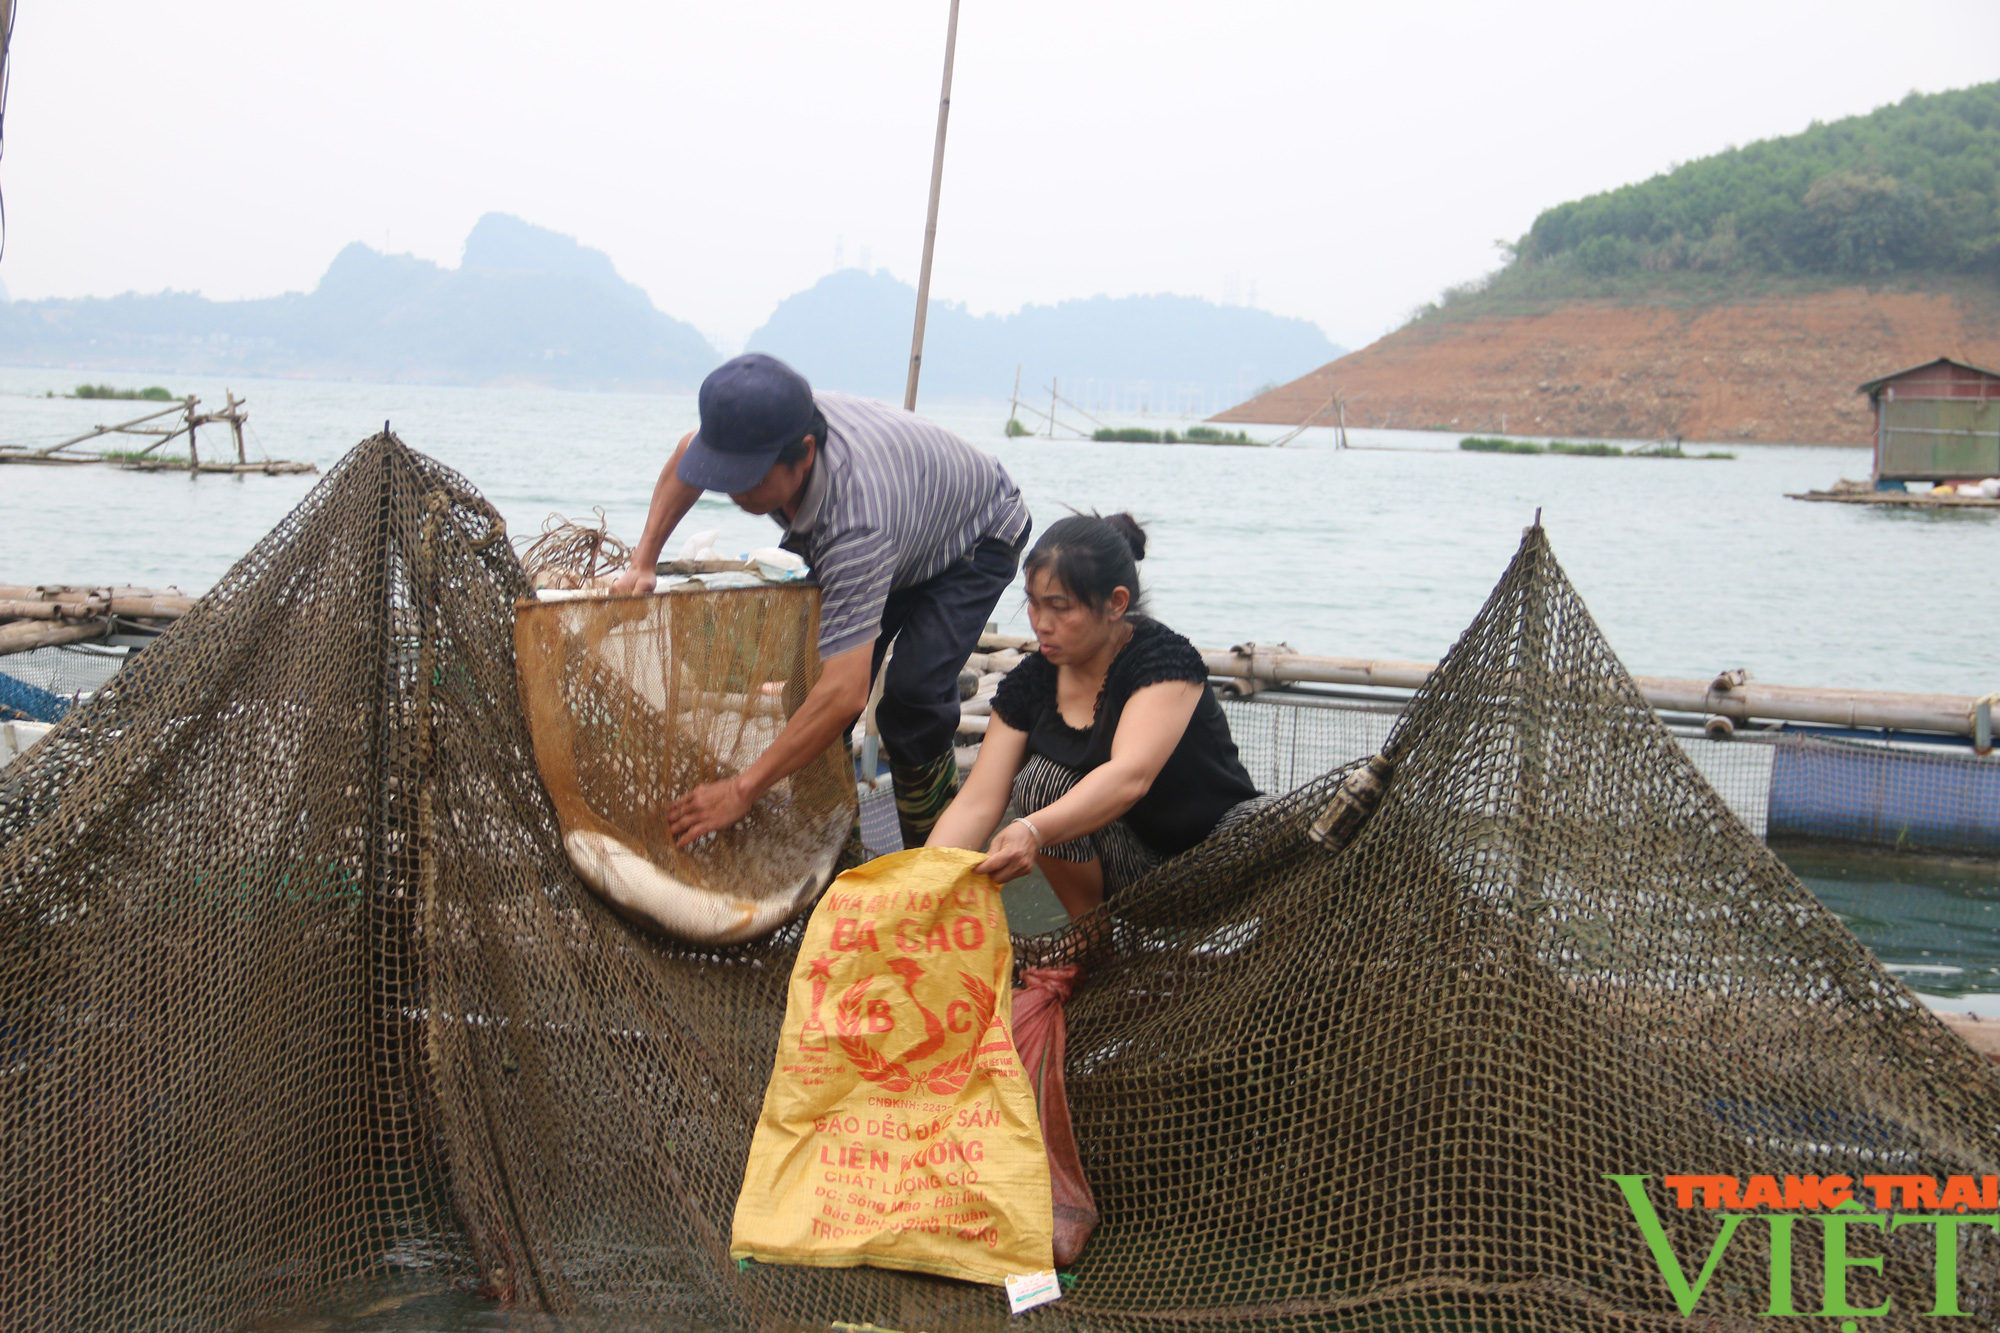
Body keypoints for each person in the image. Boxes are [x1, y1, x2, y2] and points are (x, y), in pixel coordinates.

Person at [609, 353, 1031, 851]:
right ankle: (833, 854)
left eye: (749, 477)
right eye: (723, 471)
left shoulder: (855, 523)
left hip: (973, 536)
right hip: (904, 522)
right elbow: (688, 458)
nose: (733, 488)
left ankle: (933, 856)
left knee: (912, 700)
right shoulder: (764, 426)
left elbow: (845, 693)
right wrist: (643, 561)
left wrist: (742, 789)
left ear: (805, 452)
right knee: (802, 693)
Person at [927, 512, 1264, 920]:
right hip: (1133, 875)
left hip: (1223, 860)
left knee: (1271, 821)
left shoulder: (1164, 658)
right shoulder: (1030, 684)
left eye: (1060, 608)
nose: (1042, 625)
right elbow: (977, 803)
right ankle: (1090, 942)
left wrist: (1031, 830)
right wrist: (920, 885)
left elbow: (1129, 777)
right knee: (1040, 782)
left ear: (1116, 603)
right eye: (1033, 605)